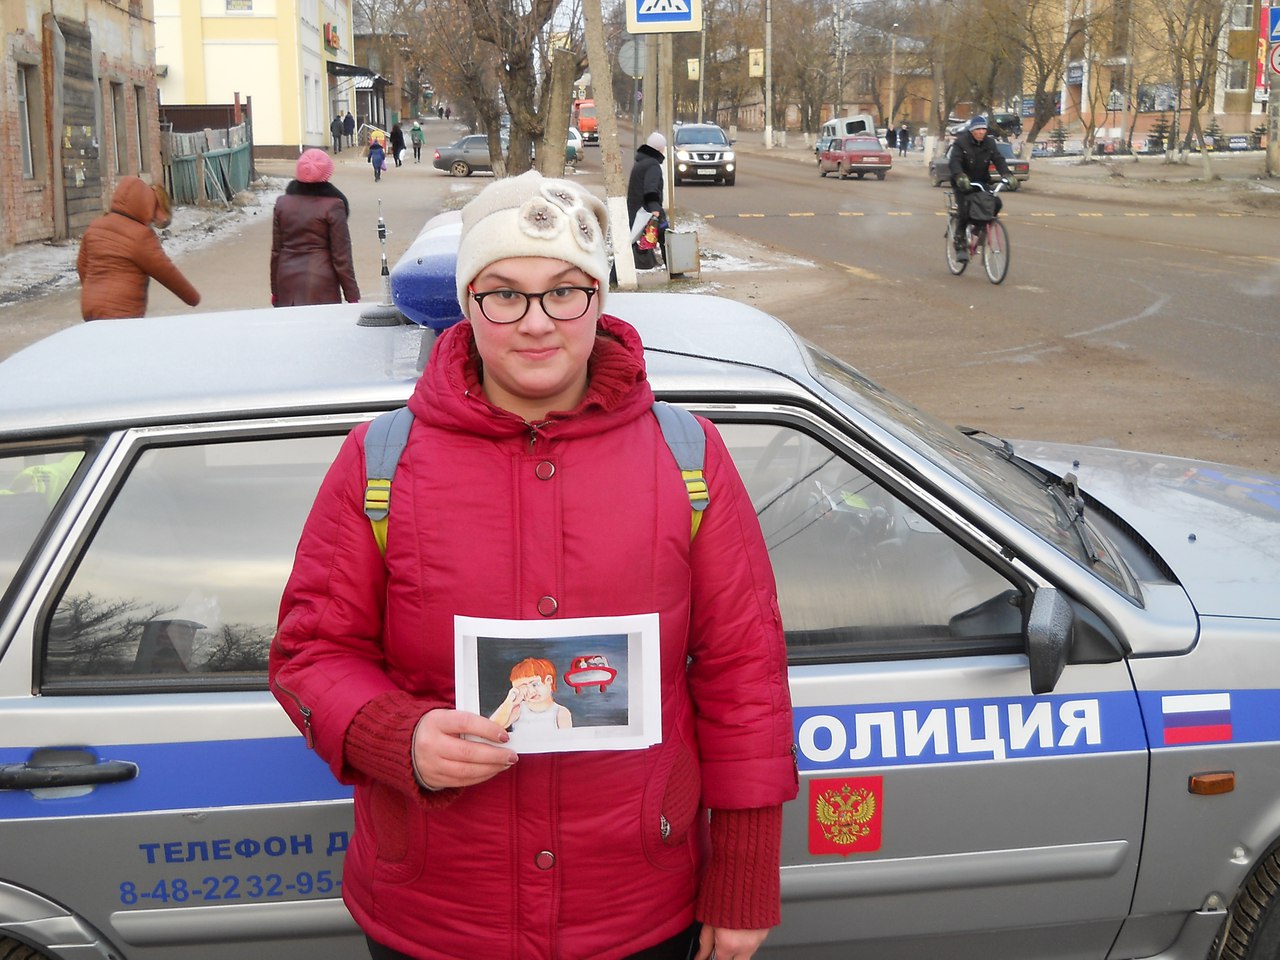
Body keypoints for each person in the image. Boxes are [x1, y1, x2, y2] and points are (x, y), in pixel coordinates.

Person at [270, 170, 797, 960]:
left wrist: (745, 877)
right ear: (469, 303)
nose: (536, 323)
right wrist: (398, 737)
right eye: (504, 294)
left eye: (564, 292)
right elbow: (309, 654)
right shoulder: (381, 461)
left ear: (599, 298)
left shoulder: (686, 457)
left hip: (636, 908)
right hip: (438, 916)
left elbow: (743, 673)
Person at [76, 176, 201, 321]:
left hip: (90, 307)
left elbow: (82, 266)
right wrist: (193, 298)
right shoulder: (141, 236)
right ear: (144, 205)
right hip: (121, 311)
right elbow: (166, 272)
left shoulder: (95, 226)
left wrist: (95, 289)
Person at [270, 148, 360, 307]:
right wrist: (351, 295)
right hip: (321, 282)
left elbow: (276, 252)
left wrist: (275, 291)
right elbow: (342, 256)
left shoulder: (282, 204)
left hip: (287, 280)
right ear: (327, 174)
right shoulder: (334, 206)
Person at [948, 115, 1010, 262]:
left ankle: (979, 227)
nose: (981, 132)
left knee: (996, 203)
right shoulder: (961, 143)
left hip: (981, 182)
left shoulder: (990, 143)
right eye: (978, 129)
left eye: (983, 129)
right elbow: (954, 162)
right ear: (971, 131)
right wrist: (959, 176)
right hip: (962, 182)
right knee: (964, 210)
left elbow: (999, 159)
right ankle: (960, 242)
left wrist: (1007, 174)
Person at [488, 657, 573, 748]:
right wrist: (509, 702)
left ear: (549, 680)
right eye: (524, 688)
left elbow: (566, 743)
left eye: (535, 684)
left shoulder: (560, 712)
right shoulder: (518, 709)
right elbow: (490, 729)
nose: (531, 691)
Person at [626, 131, 668, 270]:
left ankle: (616, 275)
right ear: (659, 148)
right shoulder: (653, 166)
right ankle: (674, 271)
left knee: (630, 242)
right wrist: (655, 208)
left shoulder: (641, 163)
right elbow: (650, 188)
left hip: (636, 209)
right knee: (666, 239)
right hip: (647, 211)